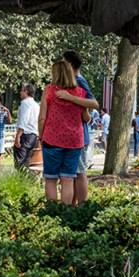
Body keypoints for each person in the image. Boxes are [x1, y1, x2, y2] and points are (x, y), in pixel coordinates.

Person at [39, 60, 87, 204]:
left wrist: (41, 136)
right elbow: (85, 117)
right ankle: (67, 210)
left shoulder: (49, 90)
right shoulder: (80, 93)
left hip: (52, 139)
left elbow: (42, 117)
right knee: (68, 179)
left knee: (51, 179)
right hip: (74, 141)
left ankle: (53, 211)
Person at [62, 50, 99, 204]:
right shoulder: (71, 81)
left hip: (78, 135)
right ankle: (74, 204)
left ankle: (83, 206)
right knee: (73, 172)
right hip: (71, 134)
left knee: (80, 172)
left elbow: (93, 102)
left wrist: (71, 98)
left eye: (63, 62)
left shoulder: (79, 80)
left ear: (70, 64)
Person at [13, 83, 39, 169]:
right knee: (27, 161)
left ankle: (20, 181)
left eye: (21, 90)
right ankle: (27, 181)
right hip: (33, 136)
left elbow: (23, 121)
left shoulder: (25, 103)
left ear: (26, 92)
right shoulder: (36, 105)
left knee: (20, 162)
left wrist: (18, 137)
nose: (20, 93)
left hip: (25, 135)